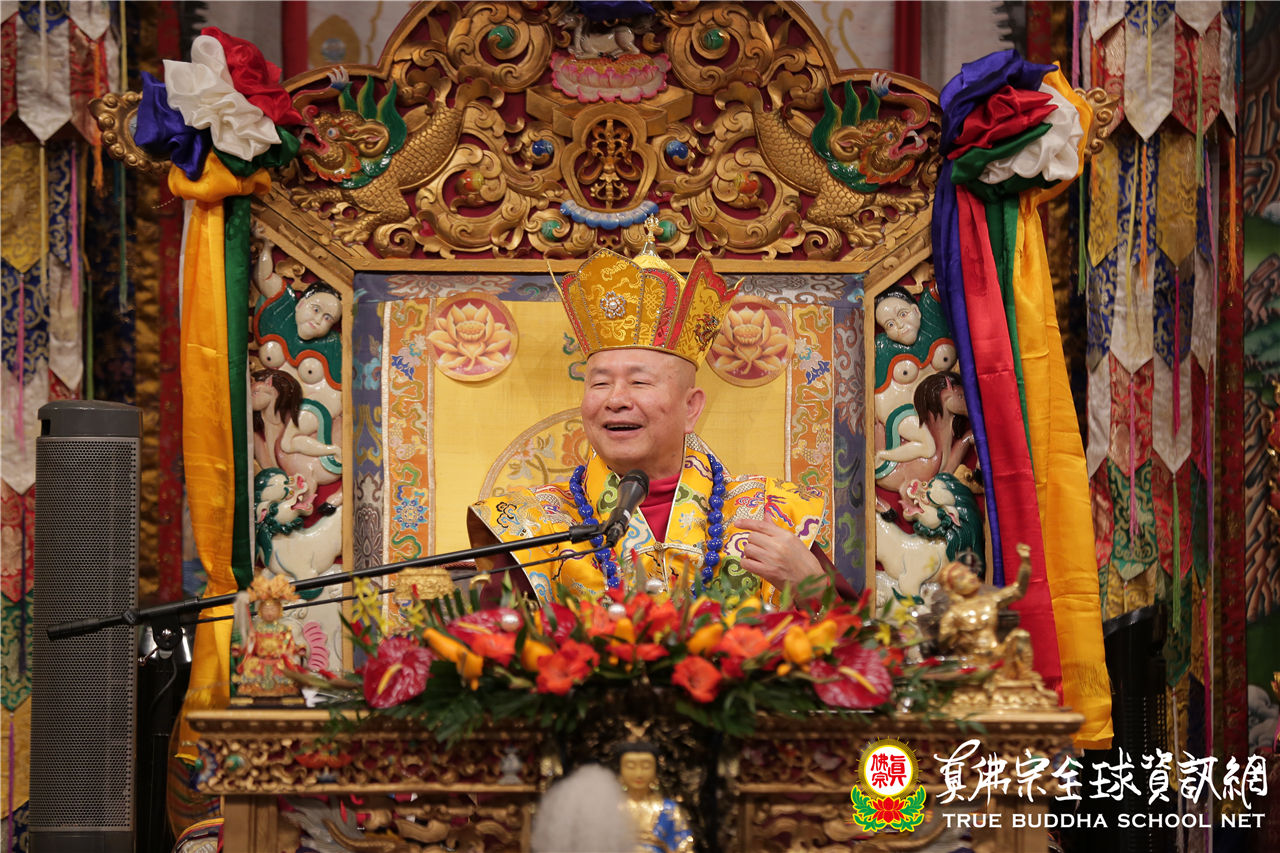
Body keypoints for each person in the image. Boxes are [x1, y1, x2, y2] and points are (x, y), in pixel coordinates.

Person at [467, 223, 834, 603]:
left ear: (690, 407)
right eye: (599, 383)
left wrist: (812, 587)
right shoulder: (533, 528)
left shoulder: (770, 515)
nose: (616, 399)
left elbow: (858, 635)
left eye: (639, 382)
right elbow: (489, 638)